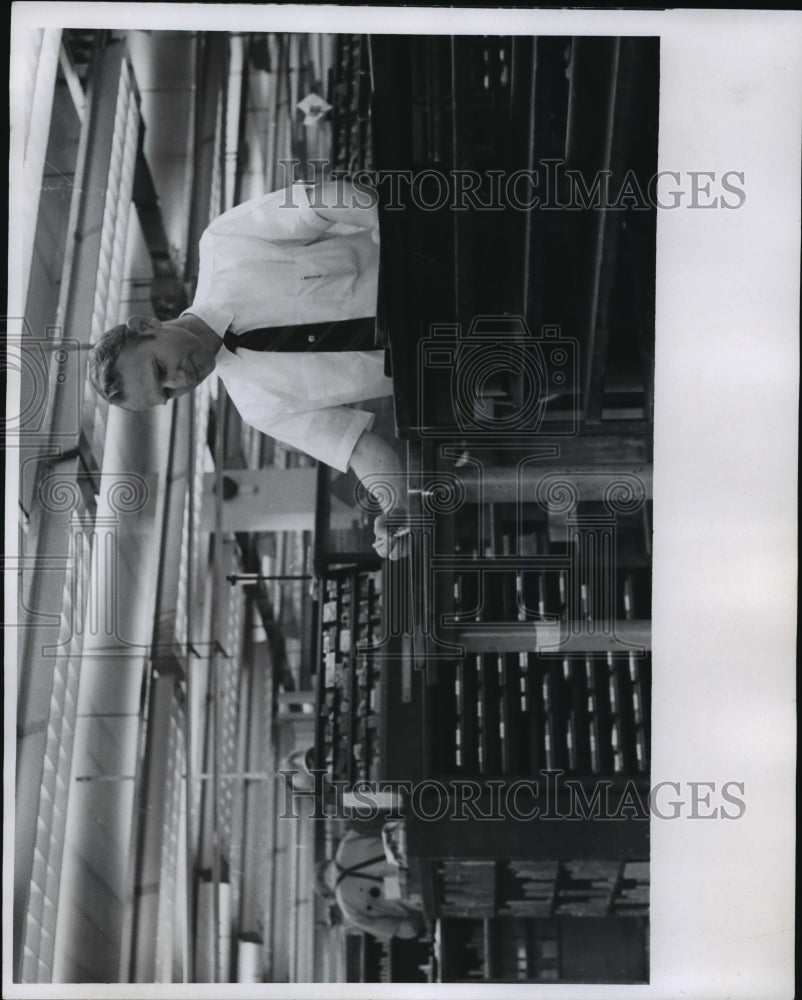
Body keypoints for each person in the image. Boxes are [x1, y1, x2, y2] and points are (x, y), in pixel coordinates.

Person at [87, 180, 407, 557]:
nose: (181, 381)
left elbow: (322, 201)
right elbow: (359, 449)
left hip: (434, 255)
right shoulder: (259, 408)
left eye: (160, 369)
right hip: (454, 353)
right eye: (168, 393)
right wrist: (396, 508)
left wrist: (396, 231)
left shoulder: (225, 245)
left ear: (146, 326)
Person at [316, 828, 425, 941]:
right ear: (327, 861)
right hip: (424, 845)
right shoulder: (349, 840)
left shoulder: (349, 910)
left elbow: (407, 930)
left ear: (328, 895)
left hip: (426, 896)